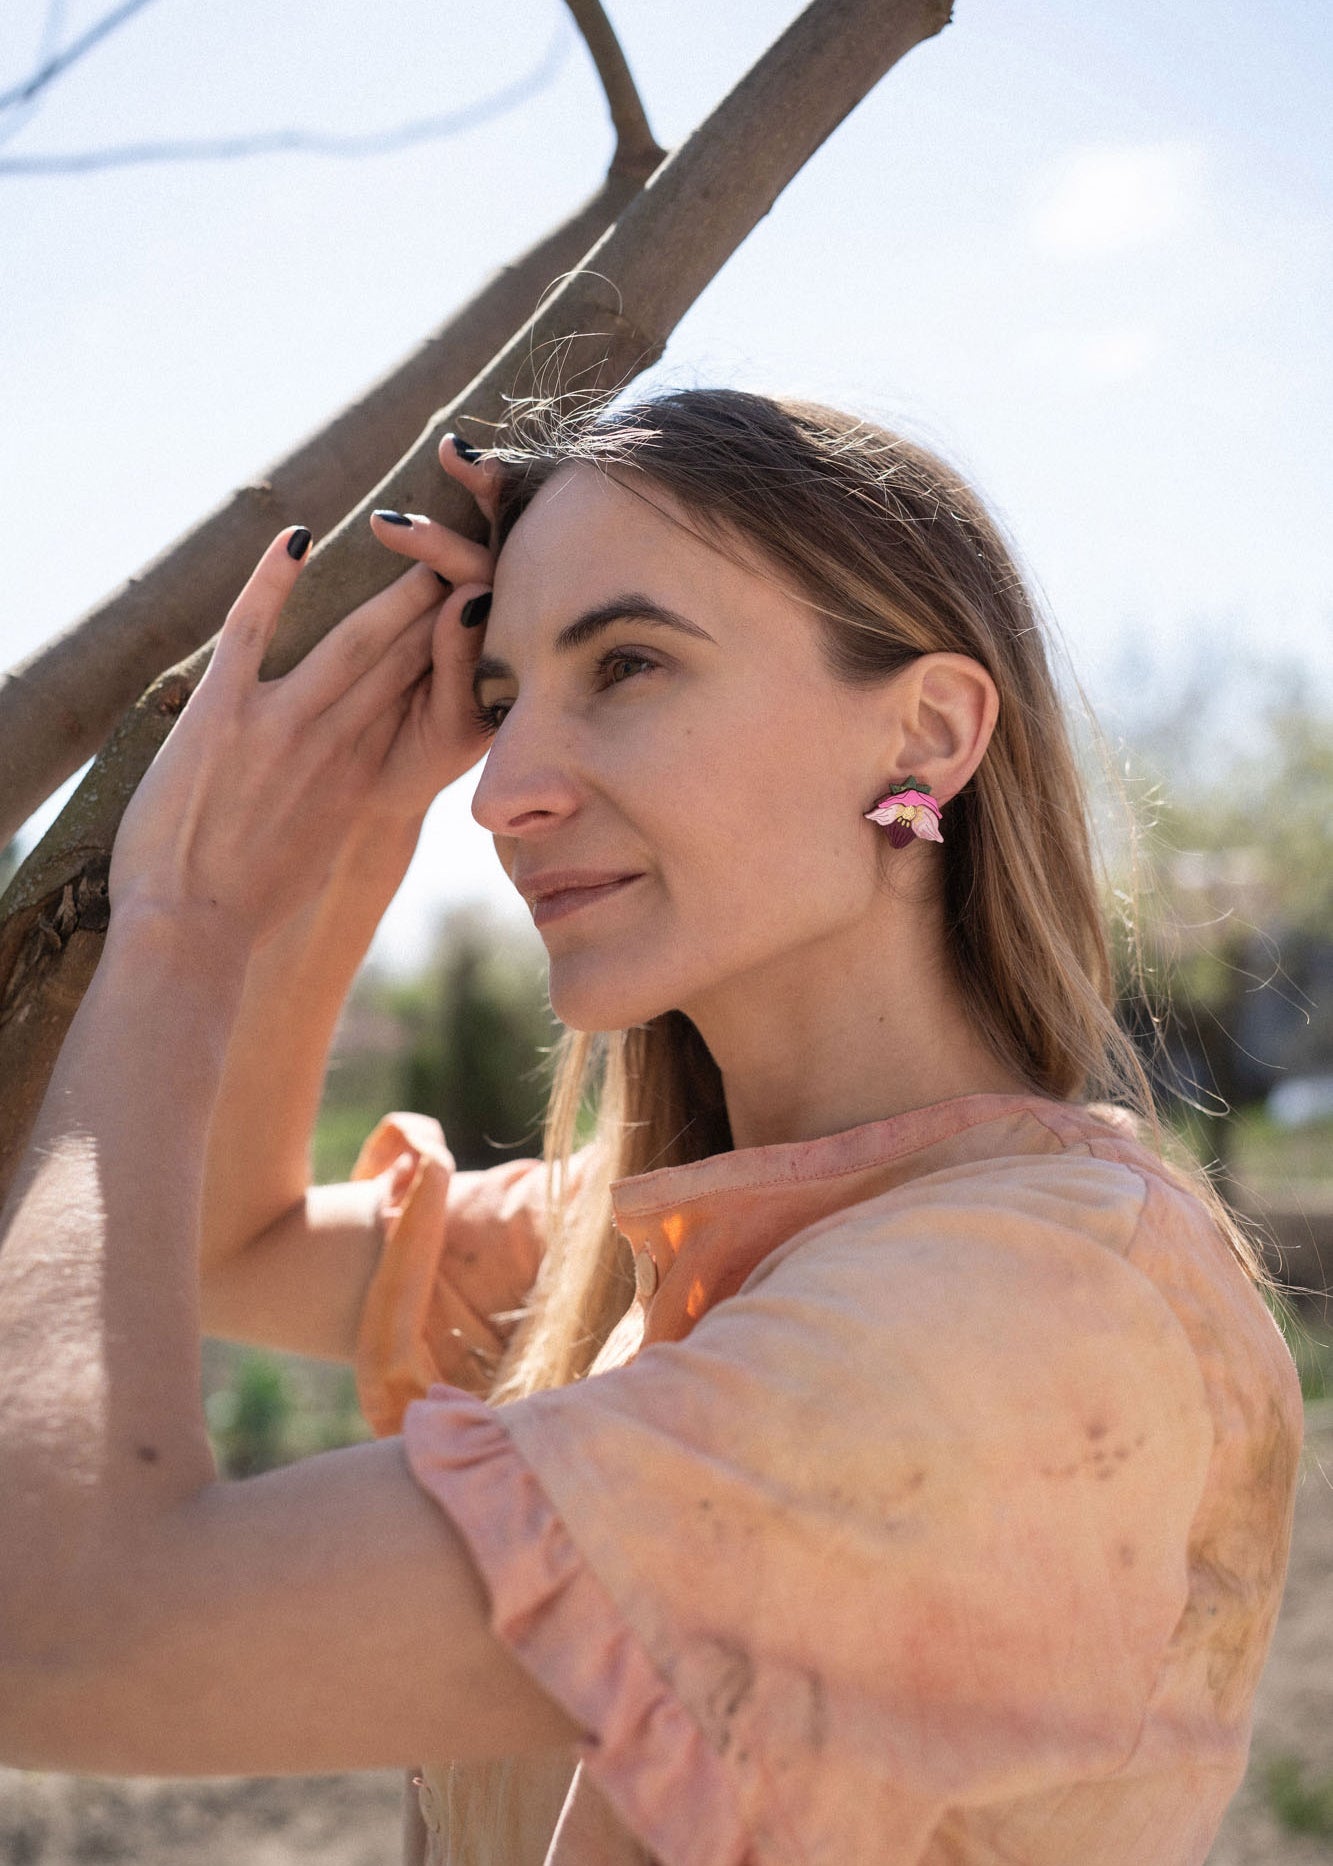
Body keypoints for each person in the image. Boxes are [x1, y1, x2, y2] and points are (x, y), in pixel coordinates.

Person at [0, 389, 1304, 1866]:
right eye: (499, 703)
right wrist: (358, 810)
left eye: (626, 662)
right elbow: (237, 1243)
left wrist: (180, 931)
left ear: (926, 733)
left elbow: (54, 1628)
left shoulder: (1013, 1313)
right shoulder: (680, 1234)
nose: (498, 792)